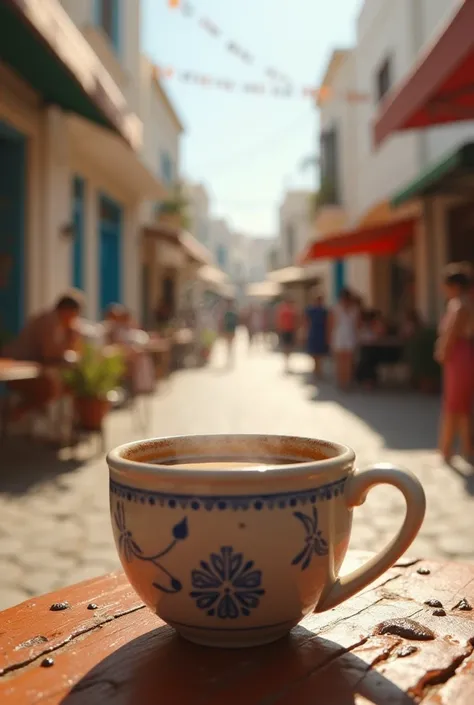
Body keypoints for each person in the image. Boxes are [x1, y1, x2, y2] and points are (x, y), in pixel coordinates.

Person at [4, 290, 84, 422]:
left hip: (34, 370)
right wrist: (70, 339)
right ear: (67, 311)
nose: (75, 319)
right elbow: (49, 354)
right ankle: (15, 415)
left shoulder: (59, 323)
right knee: (51, 388)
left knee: (69, 384)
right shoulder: (49, 321)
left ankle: (60, 427)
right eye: (75, 314)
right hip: (20, 371)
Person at [435, 264, 474, 463]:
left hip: (458, 355)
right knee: (461, 405)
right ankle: (464, 448)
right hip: (461, 354)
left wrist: (442, 351)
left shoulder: (459, 304)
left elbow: (452, 334)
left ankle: (447, 448)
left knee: (454, 403)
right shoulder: (463, 302)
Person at [330, 288, 359, 390]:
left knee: (349, 360)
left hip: (350, 336)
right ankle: (341, 381)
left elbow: (356, 325)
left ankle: (347, 381)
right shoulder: (336, 309)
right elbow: (331, 324)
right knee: (340, 360)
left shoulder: (354, 309)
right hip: (339, 336)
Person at [305, 293, 328, 378]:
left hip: (321, 333)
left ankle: (319, 370)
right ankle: (316, 370)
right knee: (314, 352)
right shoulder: (311, 310)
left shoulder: (324, 311)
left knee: (320, 353)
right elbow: (306, 321)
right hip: (314, 332)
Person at [276, 296, 299, 373]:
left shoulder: (290, 310)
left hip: (289, 330)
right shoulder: (286, 310)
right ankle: (287, 361)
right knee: (287, 346)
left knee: (288, 346)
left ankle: (287, 361)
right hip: (286, 330)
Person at [222, 301, 239, 367]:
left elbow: (236, 323)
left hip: (231, 331)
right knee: (228, 345)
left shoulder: (232, 313)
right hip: (228, 331)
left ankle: (231, 358)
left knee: (230, 345)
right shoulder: (227, 313)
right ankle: (229, 358)